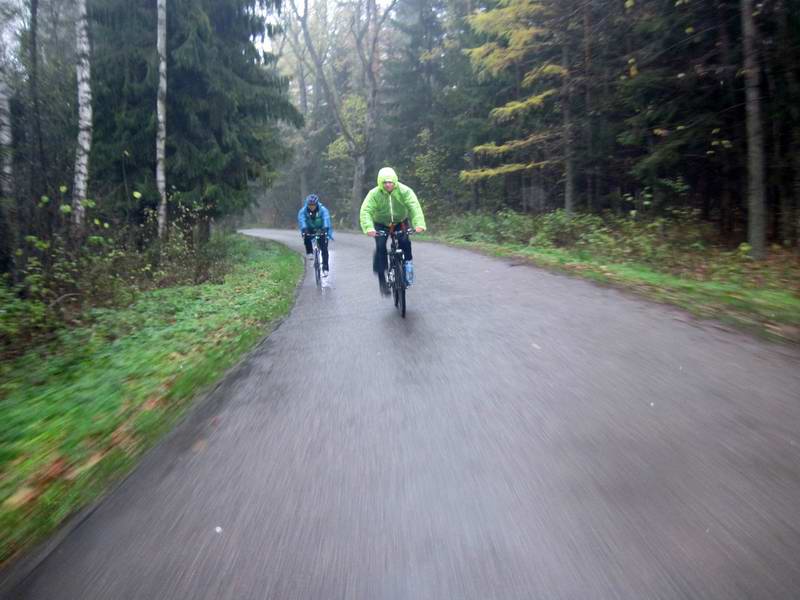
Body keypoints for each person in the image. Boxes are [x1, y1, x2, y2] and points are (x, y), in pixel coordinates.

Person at [359, 167, 426, 295]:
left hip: (400, 222)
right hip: (381, 224)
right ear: (380, 183)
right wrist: (369, 228)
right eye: (385, 182)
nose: (388, 184)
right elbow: (366, 211)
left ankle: (408, 267)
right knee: (380, 247)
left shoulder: (404, 191)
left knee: (405, 242)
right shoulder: (374, 194)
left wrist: (419, 224)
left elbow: (414, 207)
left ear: (395, 181)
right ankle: (382, 279)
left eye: (390, 182)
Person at [298, 194, 334, 275]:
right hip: (309, 228)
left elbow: (326, 218)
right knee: (306, 236)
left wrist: (325, 227)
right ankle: (309, 252)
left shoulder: (323, 210)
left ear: (317, 204)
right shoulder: (303, 211)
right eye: (310, 205)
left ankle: (325, 268)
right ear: (307, 204)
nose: (312, 207)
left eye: (313, 205)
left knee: (324, 249)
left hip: (321, 228)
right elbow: (302, 220)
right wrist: (304, 229)